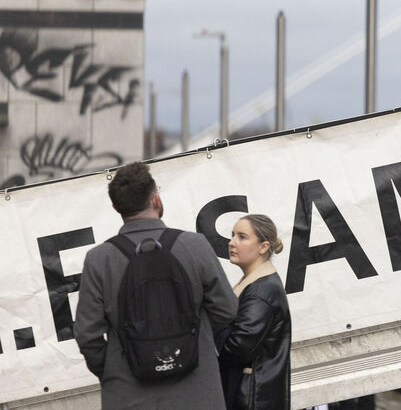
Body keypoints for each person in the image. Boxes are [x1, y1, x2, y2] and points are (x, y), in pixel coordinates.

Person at [74, 161, 238, 409]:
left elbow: (87, 335)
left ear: (116, 207)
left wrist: (114, 370)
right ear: (156, 200)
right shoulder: (195, 245)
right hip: (198, 392)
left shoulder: (99, 260)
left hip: (128, 394)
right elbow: (227, 310)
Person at [219, 213, 291, 410]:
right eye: (233, 235)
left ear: (263, 247)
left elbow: (239, 347)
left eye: (242, 237)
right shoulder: (256, 284)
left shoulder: (262, 290)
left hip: (252, 398)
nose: (232, 242)